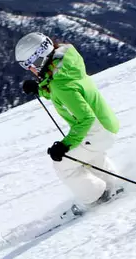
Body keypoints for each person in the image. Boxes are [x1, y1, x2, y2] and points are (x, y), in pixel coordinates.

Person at [15, 32, 125, 207]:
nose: (30, 70)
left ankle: (96, 197)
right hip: (105, 125)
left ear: (39, 59)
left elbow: (85, 117)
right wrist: (40, 89)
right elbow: (64, 91)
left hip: (96, 130)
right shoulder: (66, 65)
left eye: (29, 65)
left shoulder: (60, 84)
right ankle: (113, 185)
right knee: (90, 157)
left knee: (64, 164)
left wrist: (65, 145)